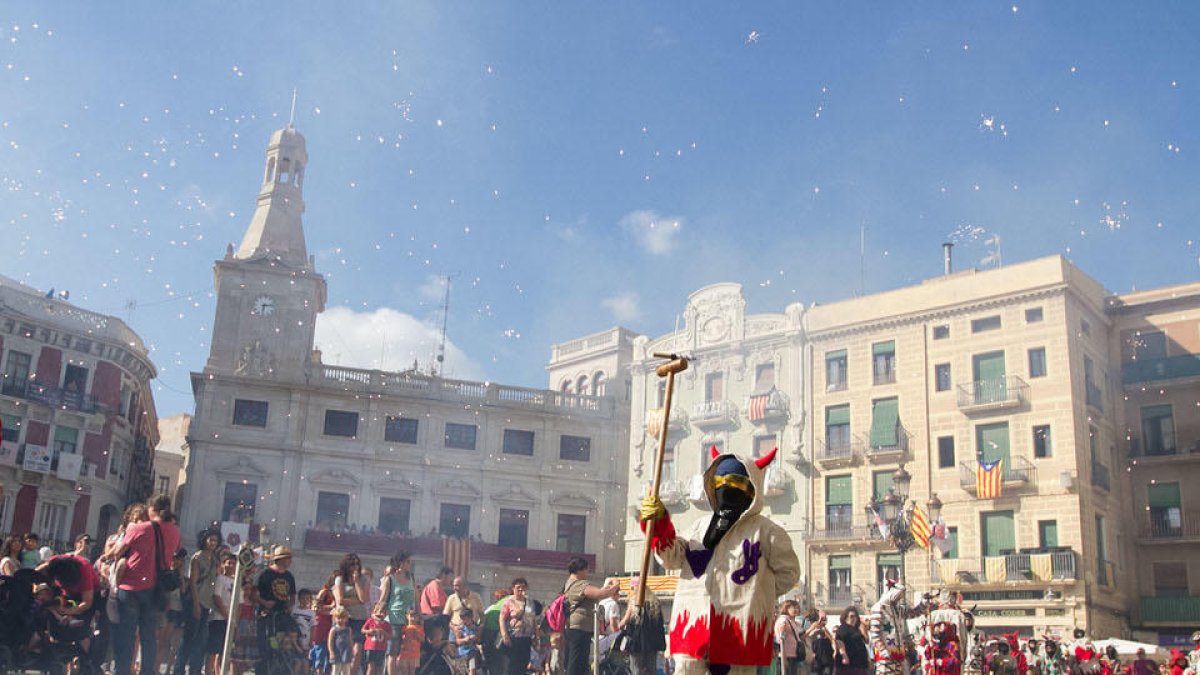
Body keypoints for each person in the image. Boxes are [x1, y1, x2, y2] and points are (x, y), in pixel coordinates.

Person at [639, 447, 801, 674]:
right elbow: (672, 557)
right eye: (720, 481)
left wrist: (755, 594)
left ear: (750, 488)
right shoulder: (699, 526)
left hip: (739, 629)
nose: (727, 488)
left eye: (735, 482)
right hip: (694, 624)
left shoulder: (767, 531)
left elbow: (789, 574)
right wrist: (659, 525)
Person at [112, 493, 182, 675]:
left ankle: (122, 671)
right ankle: (147, 672)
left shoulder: (138, 528)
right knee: (149, 636)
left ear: (152, 509)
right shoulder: (175, 531)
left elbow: (117, 553)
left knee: (126, 635)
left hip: (131, 585)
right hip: (156, 588)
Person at [562, 557, 619, 675]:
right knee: (576, 663)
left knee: (580, 663)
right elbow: (599, 593)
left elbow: (599, 591)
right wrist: (616, 585)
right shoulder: (579, 584)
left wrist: (607, 585)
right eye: (586, 569)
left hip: (576, 628)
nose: (587, 572)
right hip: (579, 629)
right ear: (580, 570)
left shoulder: (569, 584)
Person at [176, 529, 222, 675]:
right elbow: (193, 582)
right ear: (205, 540)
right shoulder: (198, 557)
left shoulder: (214, 559)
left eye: (215, 540)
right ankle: (179, 669)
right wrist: (196, 604)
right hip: (197, 602)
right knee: (189, 638)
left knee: (201, 641)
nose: (213, 543)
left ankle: (194, 671)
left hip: (207, 603)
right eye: (211, 540)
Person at [258, 544, 300, 672]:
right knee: (267, 646)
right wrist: (264, 603)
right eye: (287, 558)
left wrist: (290, 605)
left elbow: (292, 595)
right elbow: (254, 594)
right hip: (267, 615)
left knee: (284, 646)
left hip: (282, 616)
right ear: (280, 559)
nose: (289, 561)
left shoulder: (289, 576)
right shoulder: (266, 574)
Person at [378, 552, 418, 675]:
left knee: (406, 651)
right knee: (393, 651)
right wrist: (379, 611)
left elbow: (416, 597)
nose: (410, 564)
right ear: (401, 563)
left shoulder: (411, 577)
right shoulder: (390, 579)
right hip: (394, 617)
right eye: (408, 561)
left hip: (409, 619)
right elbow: (383, 598)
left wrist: (419, 612)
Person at [334, 553, 371, 675]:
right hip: (345, 619)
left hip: (360, 619)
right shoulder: (340, 579)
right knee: (344, 651)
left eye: (357, 564)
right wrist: (357, 601)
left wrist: (356, 582)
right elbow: (340, 600)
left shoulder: (364, 579)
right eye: (352, 564)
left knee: (357, 651)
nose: (355, 567)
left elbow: (364, 599)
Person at [500, 578, 538, 675]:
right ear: (513, 588)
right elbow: (502, 619)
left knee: (523, 664)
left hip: (526, 638)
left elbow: (533, 620)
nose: (521, 589)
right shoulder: (509, 602)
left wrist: (536, 637)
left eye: (523, 587)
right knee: (512, 665)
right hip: (513, 638)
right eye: (518, 587)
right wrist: (505, 635)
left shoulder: (530, 602)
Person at [209, 552, 237, 675]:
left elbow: (239, 602)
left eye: (234, 564)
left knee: (228, 651)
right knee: (217, 650)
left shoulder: (236, 580)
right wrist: (226, 616)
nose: (231, 565)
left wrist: (235, 619)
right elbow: (217, 597)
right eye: (229, 563)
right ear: (223, 564)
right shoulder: (220, 578)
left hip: (232, 621)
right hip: (220, 619)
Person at [834, 607, 870, 675]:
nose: (854, 618)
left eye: (856, 616)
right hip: (850, 665)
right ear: (845, 617)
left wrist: (862, 626)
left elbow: (866, 640)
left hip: (860, 665)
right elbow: (839, 640)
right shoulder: (843, 628)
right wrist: (844, 656)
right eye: (851, 616)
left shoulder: (856, 630)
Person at [775, 600, 807, 675]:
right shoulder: (783, 620)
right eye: (793, 608)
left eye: (797, 608)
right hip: (786, 655)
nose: (796, 610)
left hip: (793, 655)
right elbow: (781, 639)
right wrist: (784, 657)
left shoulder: (791, 621)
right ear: (786, 608)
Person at [364, 608, 395, 675]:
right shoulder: (370, 621)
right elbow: (363, 630)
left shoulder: (387, 624)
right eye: (378, 612)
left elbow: (390, 637)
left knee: (379, 667)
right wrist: (369, 631)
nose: (380, 614)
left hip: (381, 648)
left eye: (383, 612)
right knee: (370, 667)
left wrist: (383, 632)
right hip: (370, 647)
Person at [452, 608, 482, 675]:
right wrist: (466, 639)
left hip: (472, 652)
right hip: (462, 654)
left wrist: (475, 638)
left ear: (471, 618)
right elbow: (457, 641)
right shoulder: (460, 629)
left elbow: (479, 639)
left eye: (466, 619)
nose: (464, 621)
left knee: (472, 670)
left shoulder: (476, 628)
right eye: (463, 619)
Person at [397, 608, 425, 675]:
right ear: (407, 616)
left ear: (418, 618)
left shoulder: (420, 628)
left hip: (414, 654)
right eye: (411, 616)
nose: (413, 618)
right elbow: (399, 638)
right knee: (404, 671)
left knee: (412, 672)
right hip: (404, 654)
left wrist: (416, 634)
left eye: (415, 616)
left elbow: (423, 640)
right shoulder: (404, 627)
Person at [807, 610, 836, 675]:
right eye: (822, 618)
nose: (825, 620)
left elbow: (833, 643)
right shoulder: (810, 631)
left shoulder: (825, 631)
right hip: (815, 663)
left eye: (825, 618)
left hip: (827, 663)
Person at [330, 606, 354, 675]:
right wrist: (331, 652)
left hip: (346, 652)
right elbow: (330, 641)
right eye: (338, 618)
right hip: (337, 652)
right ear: (335, 619)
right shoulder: (334, 629)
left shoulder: (348, 629)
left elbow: (350, 640)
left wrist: (351, 650)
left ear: (346, 618)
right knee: (336, 670)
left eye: (343, 618)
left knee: (346, 670)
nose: (341, 620)